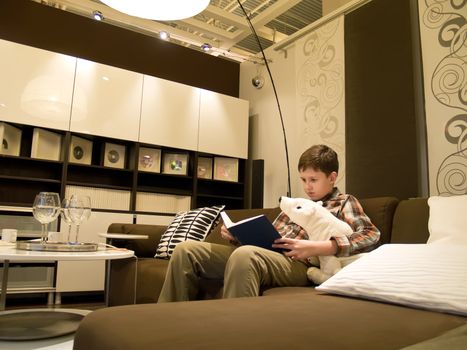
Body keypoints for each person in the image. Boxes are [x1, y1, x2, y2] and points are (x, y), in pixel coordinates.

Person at [158, 144, 380, 302]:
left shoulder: (344, 202)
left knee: (246, 256)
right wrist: (239, 237)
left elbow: (370, 235)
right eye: (303, 180)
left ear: (332, 178)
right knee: (186, 250)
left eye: (314, 180)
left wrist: (323, 246)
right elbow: (270, 238)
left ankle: (231, 335)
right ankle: (169, 321)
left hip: (301, 265)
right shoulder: (295, 204)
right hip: (269, 254)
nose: (307, 186)